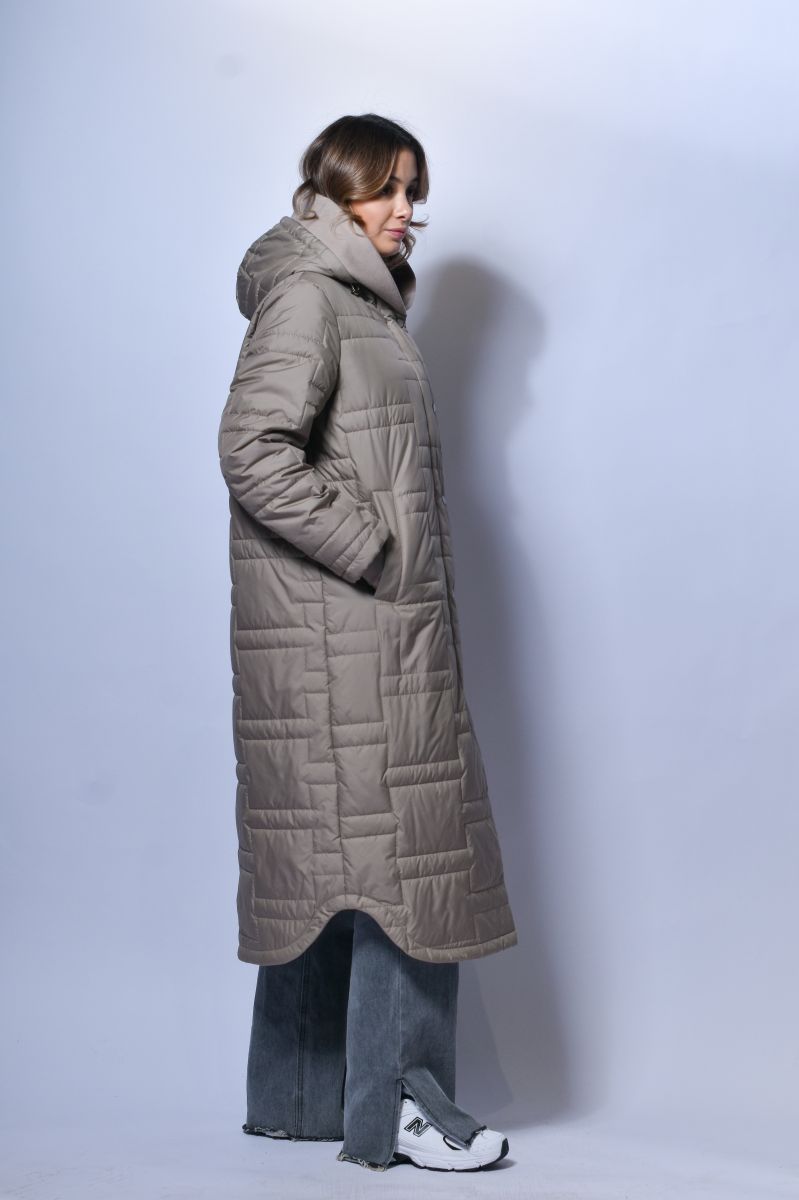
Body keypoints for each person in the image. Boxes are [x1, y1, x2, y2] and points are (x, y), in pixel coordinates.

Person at [217, 113, 517, 1172]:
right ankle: (399, 1105)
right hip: (353, 639)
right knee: (403, 864)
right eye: (386, 189)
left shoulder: (357, 299)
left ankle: (297, 1100)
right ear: (336, 189)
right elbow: (252, 449)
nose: (405, 211)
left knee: (338, 863)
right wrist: (375, 553)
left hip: (350, 638)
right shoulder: (314, 294)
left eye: (413, 191)